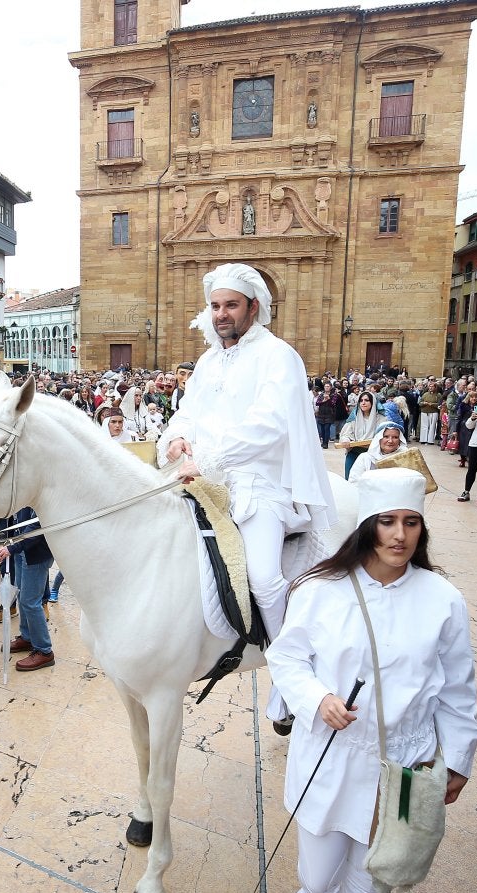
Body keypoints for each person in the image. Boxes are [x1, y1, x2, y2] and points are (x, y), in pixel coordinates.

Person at [268, 468, 477, 893]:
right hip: (332, 757)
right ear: (367, 525)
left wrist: (459, 759)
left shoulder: (443, 599)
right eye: (387, 521)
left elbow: (459, 687)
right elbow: (286, 658)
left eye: (411, 522)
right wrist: (318, 698)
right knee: (317, 883)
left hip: (402, 768)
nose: (399, 535)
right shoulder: (319, 589)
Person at [158, 263, 336, 728]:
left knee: (262, 576)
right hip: (204, 478)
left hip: (261, 483)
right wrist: (176, 438)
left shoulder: (277, 356)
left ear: (253, 308)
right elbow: (188, 412)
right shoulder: (208, 360)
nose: (221, 314)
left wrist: (210, 458)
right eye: (215, 306)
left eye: (231, 305)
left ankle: (290, 677)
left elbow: (270, 424)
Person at [0, 507, 57, 671]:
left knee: (30, 602)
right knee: (22, 597)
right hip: (22, 550)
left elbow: (36, 527)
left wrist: (10, 548)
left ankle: (44, 650)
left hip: (36, 553)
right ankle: (27, 637)